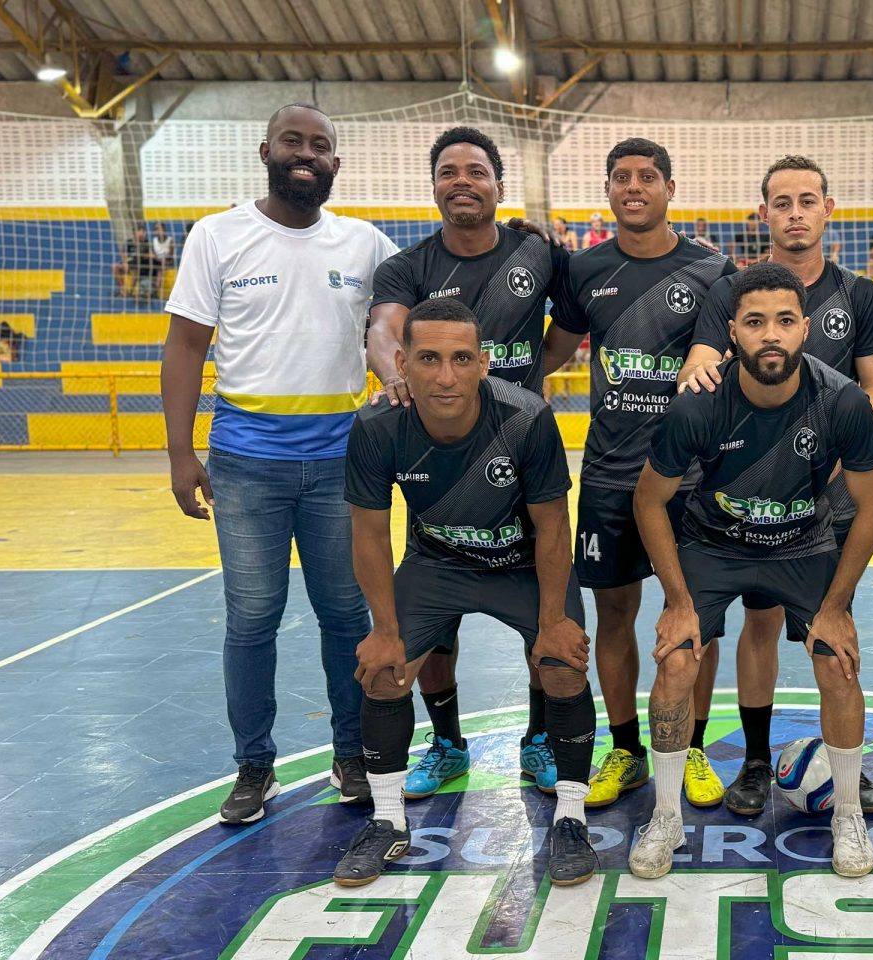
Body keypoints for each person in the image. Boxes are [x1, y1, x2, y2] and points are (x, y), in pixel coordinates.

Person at [162, 103, 400, 823]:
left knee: (344, 613)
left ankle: (351, 754)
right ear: (265, 150)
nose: (306, 153)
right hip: (245, 462)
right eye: (292, 141)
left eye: (320, 145)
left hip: (341, 460)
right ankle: (254, 765)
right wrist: (180, 452)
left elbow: (390, 331)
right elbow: (185, 346)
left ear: (336, 162)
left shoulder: (366, 244)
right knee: (252, 617)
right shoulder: (217, 235)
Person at [626, 263, 873, 880]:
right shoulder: (698, 405)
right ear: (732, 333)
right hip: (713, 545)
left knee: (838, 659)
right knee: (676, 659)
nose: (771, 334)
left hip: (803, 544)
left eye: (785, 320)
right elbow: (648, 500)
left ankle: (847, 814)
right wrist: (677, 602)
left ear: (806, 329)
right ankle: (665, 817)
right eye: (754, 322)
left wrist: (836, 607)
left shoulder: (843, 401)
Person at [334, 296, 597, 887]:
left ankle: (570, 818)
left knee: (563, 666)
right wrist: (384, 630)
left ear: (483, 363)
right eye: (429, 359)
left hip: (522, 565)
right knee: (383, 671)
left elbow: (554, 525)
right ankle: (386, 820)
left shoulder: (525, 417)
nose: (446, 376)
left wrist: (553, 621)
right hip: (438, 564)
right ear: (402, 363)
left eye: (460, 359)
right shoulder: (377, 426)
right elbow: (369, 535)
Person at [364, 126, 587, 801]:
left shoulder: (537, 253)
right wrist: (397, 379)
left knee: (543, 608)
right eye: (449, 171)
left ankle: (540, 738)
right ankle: (447, 744)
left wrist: (523, 386)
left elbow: (571, 325)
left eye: (476, 170)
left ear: (498, 185)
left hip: (521, 455)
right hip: (439, 460)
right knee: (436, 622)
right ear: (434, 186)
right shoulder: (407, 266)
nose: (462, 181)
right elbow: (384, 329)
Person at [678, 155, 873, 816]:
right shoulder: (732, 291)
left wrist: (831, 457)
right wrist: (697, 378)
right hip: (749, 493)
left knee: (835, 630)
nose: (795, 213)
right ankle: (755, 761)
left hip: (831, 489)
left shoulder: (858, 294)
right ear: (763, 213)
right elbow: (701, 365)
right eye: (782, 202)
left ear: (828, 210)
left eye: (807, 201)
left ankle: (847, 768)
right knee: (760, 623)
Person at [544, 138, 738, 811]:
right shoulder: (584, 269)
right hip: (608, 476)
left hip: (691, 478)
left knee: (698, 619)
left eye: (647, 176)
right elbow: (549, 353)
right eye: (621, 177)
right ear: (608, 190)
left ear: (669, 188)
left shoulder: (712, 270)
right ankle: (626, 748)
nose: (634, 186)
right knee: (615, 613)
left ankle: (693, 747)